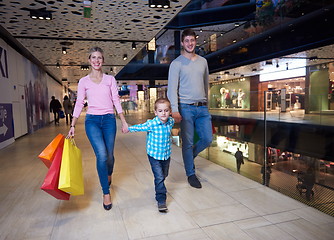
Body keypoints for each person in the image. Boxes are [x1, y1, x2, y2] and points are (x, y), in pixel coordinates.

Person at [67, 47, 128, 211]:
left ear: (103, 60)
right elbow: (79, 102)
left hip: (109, 120)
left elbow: (116, 100)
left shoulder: (110, 79)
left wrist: (123, 121)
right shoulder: (83, 82)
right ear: (89, 60)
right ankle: (106, 192)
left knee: (109, 156)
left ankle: (108, 173)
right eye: (93, 57)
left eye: (99, 57)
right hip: (92, 121)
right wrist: (72, 125)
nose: (96, 60)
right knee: (101, 154)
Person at [167, 28, 213, 189]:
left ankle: (190, 156)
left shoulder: (203, 62)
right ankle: (190, 174)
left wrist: (207, 103)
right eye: (186, 40)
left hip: (202, 108)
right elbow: (171, 89)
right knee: (187, 143)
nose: (189, 43)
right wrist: (174, 109)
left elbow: (206, 83)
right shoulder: (176, 63)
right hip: (185, 107)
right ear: (182, 43)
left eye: (192, 40)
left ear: (195, 41)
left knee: (207, 139)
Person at [124, 98, 174, 213]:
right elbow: (140, 127)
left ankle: (159, 183)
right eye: (160, 111)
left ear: (170, 111)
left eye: (166, 110)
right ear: (156, 112)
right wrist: (129, 129)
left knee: (164, 174)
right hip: (154, 155)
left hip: (166, 154)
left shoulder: (170, 121)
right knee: (159, 177)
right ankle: (161, 199)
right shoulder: (152, 124)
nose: (163, 113)